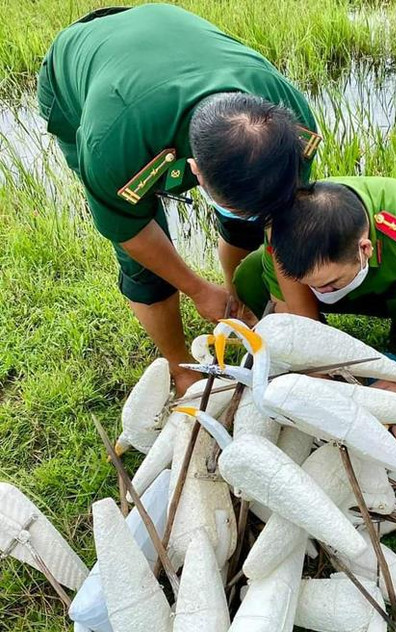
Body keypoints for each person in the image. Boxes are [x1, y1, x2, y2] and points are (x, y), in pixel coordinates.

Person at [37, 4, 321, 394]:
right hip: (80, 70)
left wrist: (291, 310)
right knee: (149, 268)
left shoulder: (290, 123)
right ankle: (180, 367)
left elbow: (284, 222)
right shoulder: (112, 146)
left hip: (164, 39)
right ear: (196, 172)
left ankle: (235, 302)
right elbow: (131, 232)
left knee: (246, 224)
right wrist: (197, 289)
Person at [233, 177, 396, 396]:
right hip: (325, 292)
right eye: (310, 284)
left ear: (365, 248)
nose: (320, 292)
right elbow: (292, 313)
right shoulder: (282, 228)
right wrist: (321, 373)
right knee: (250, 273)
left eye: (329, 283)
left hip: (393, 293)